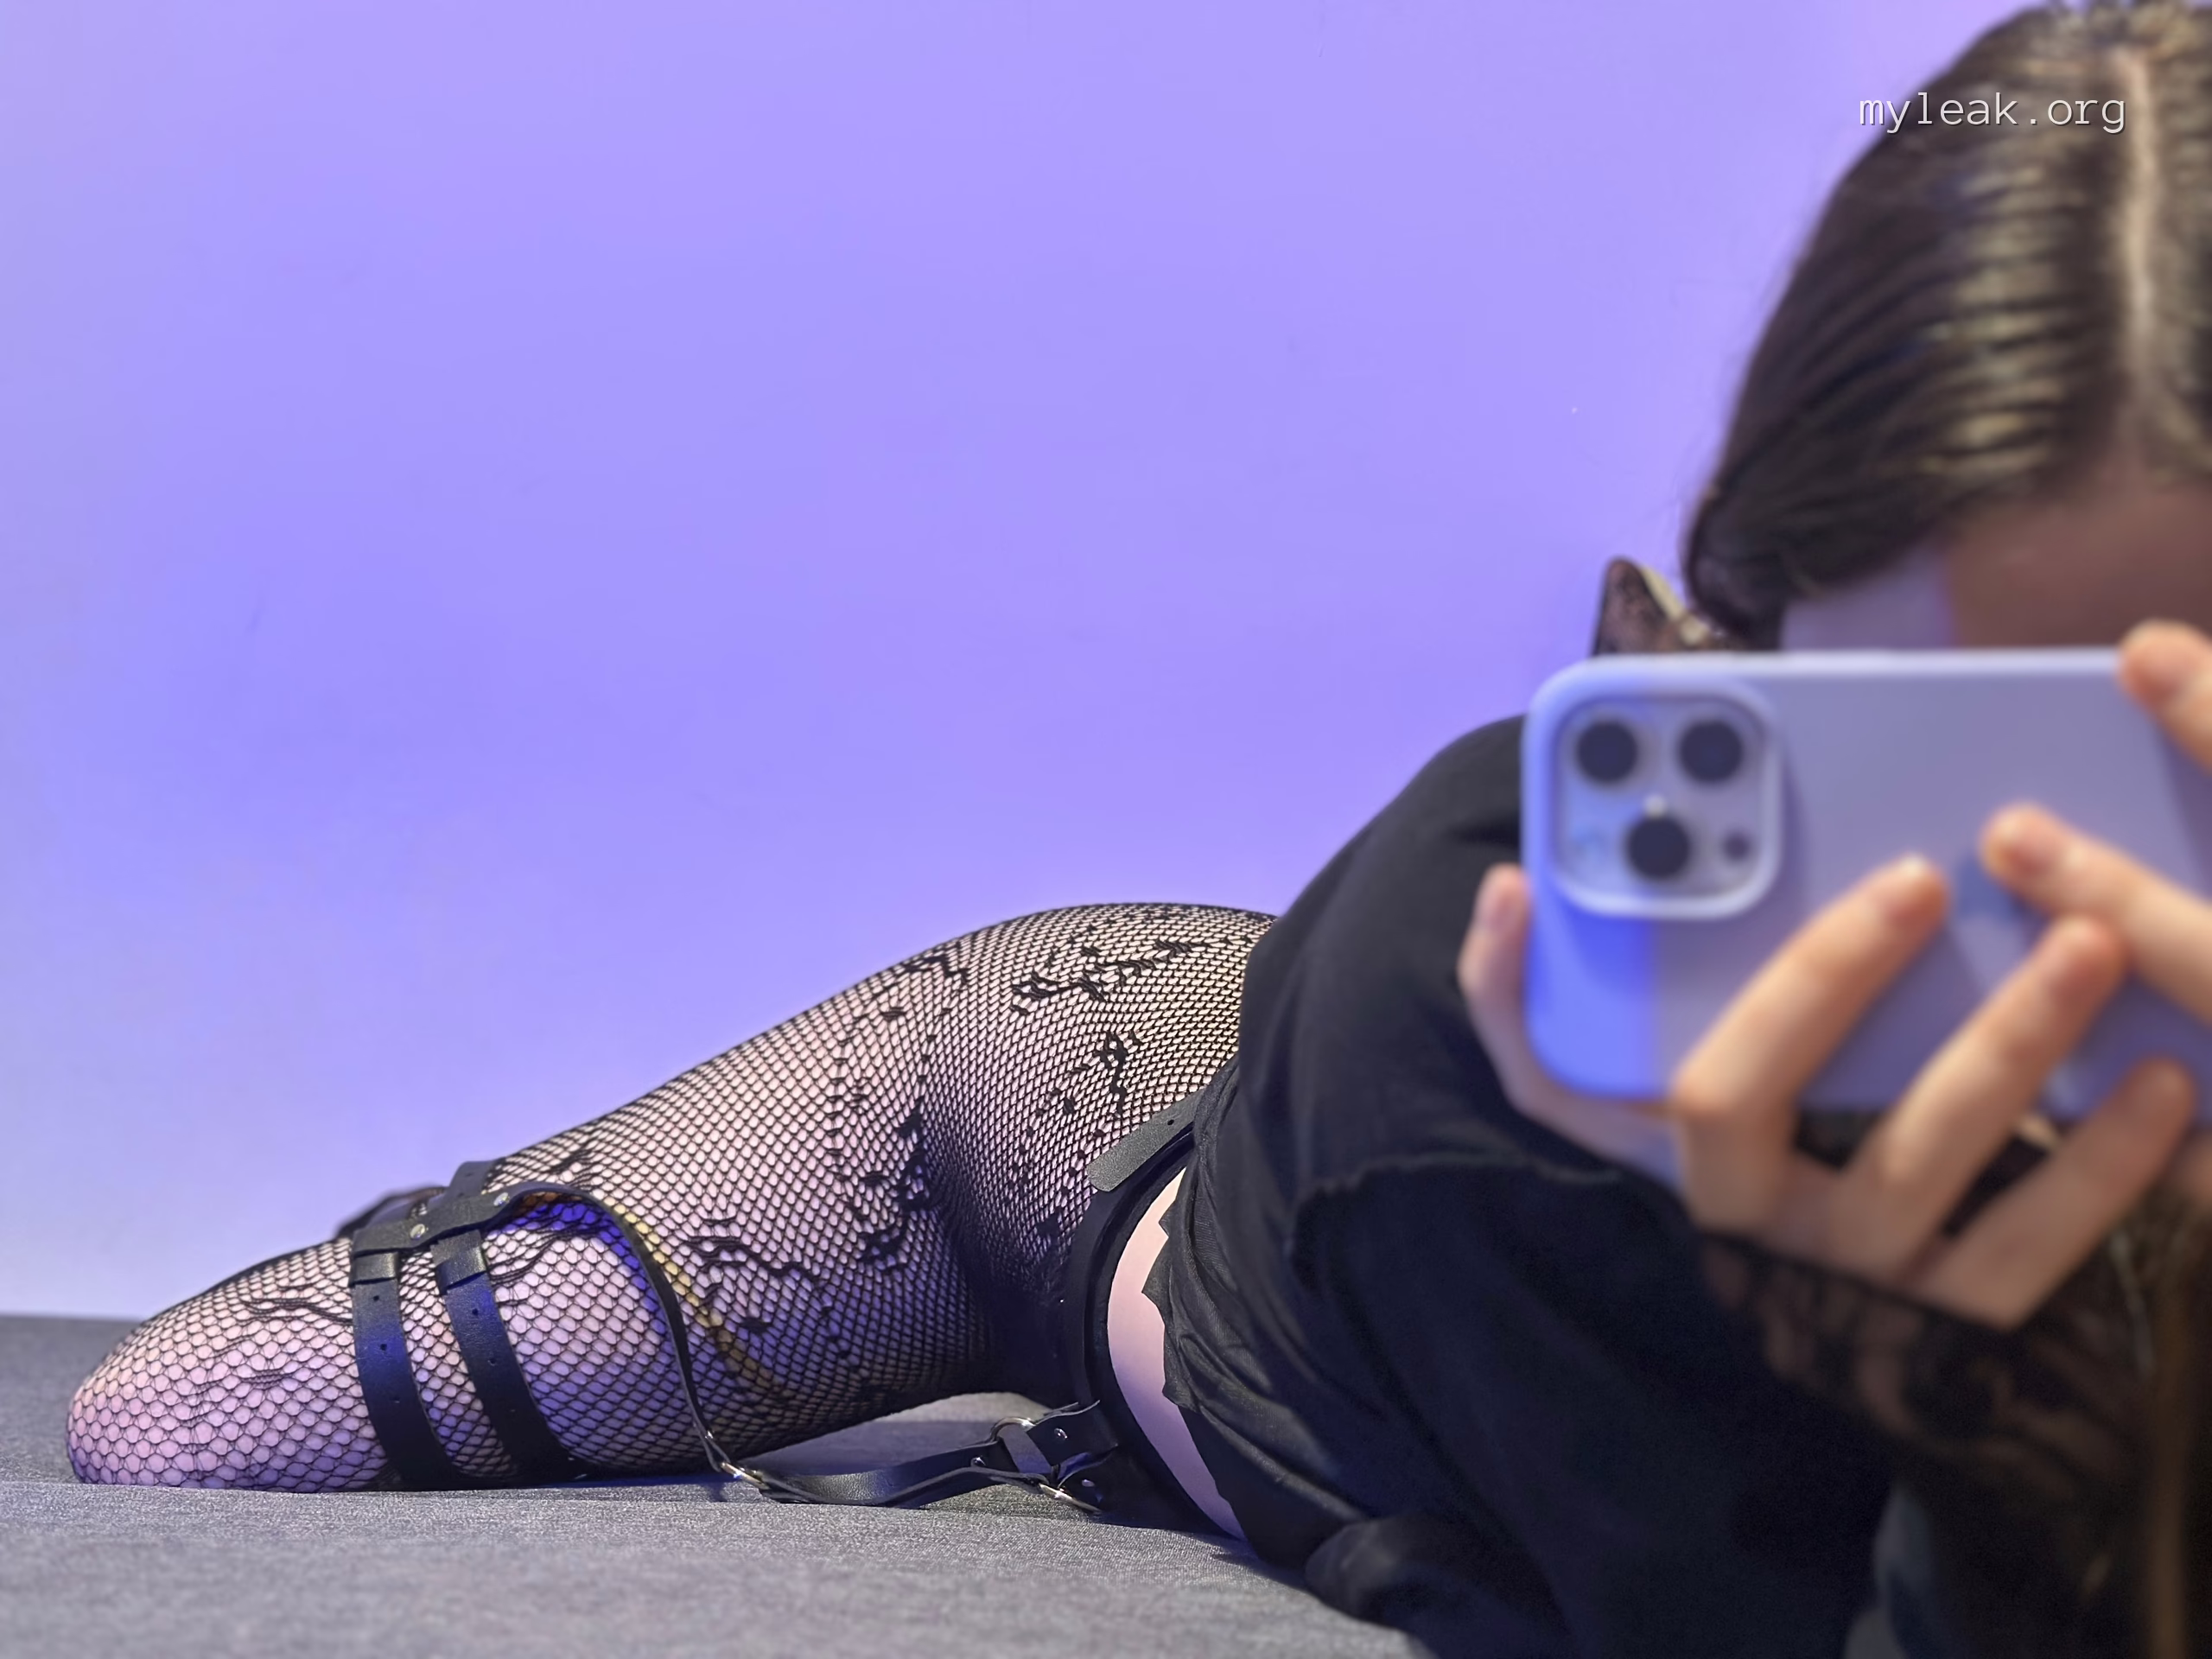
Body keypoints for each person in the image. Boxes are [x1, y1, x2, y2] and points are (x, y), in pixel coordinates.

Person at [63, 2, 2212, 1654]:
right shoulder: (1527, 1069)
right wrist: (1978, 1419)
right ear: (1741, 662)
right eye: (1957, 765)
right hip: (1048, 1132)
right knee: (193, 1417)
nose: (2077, 909)